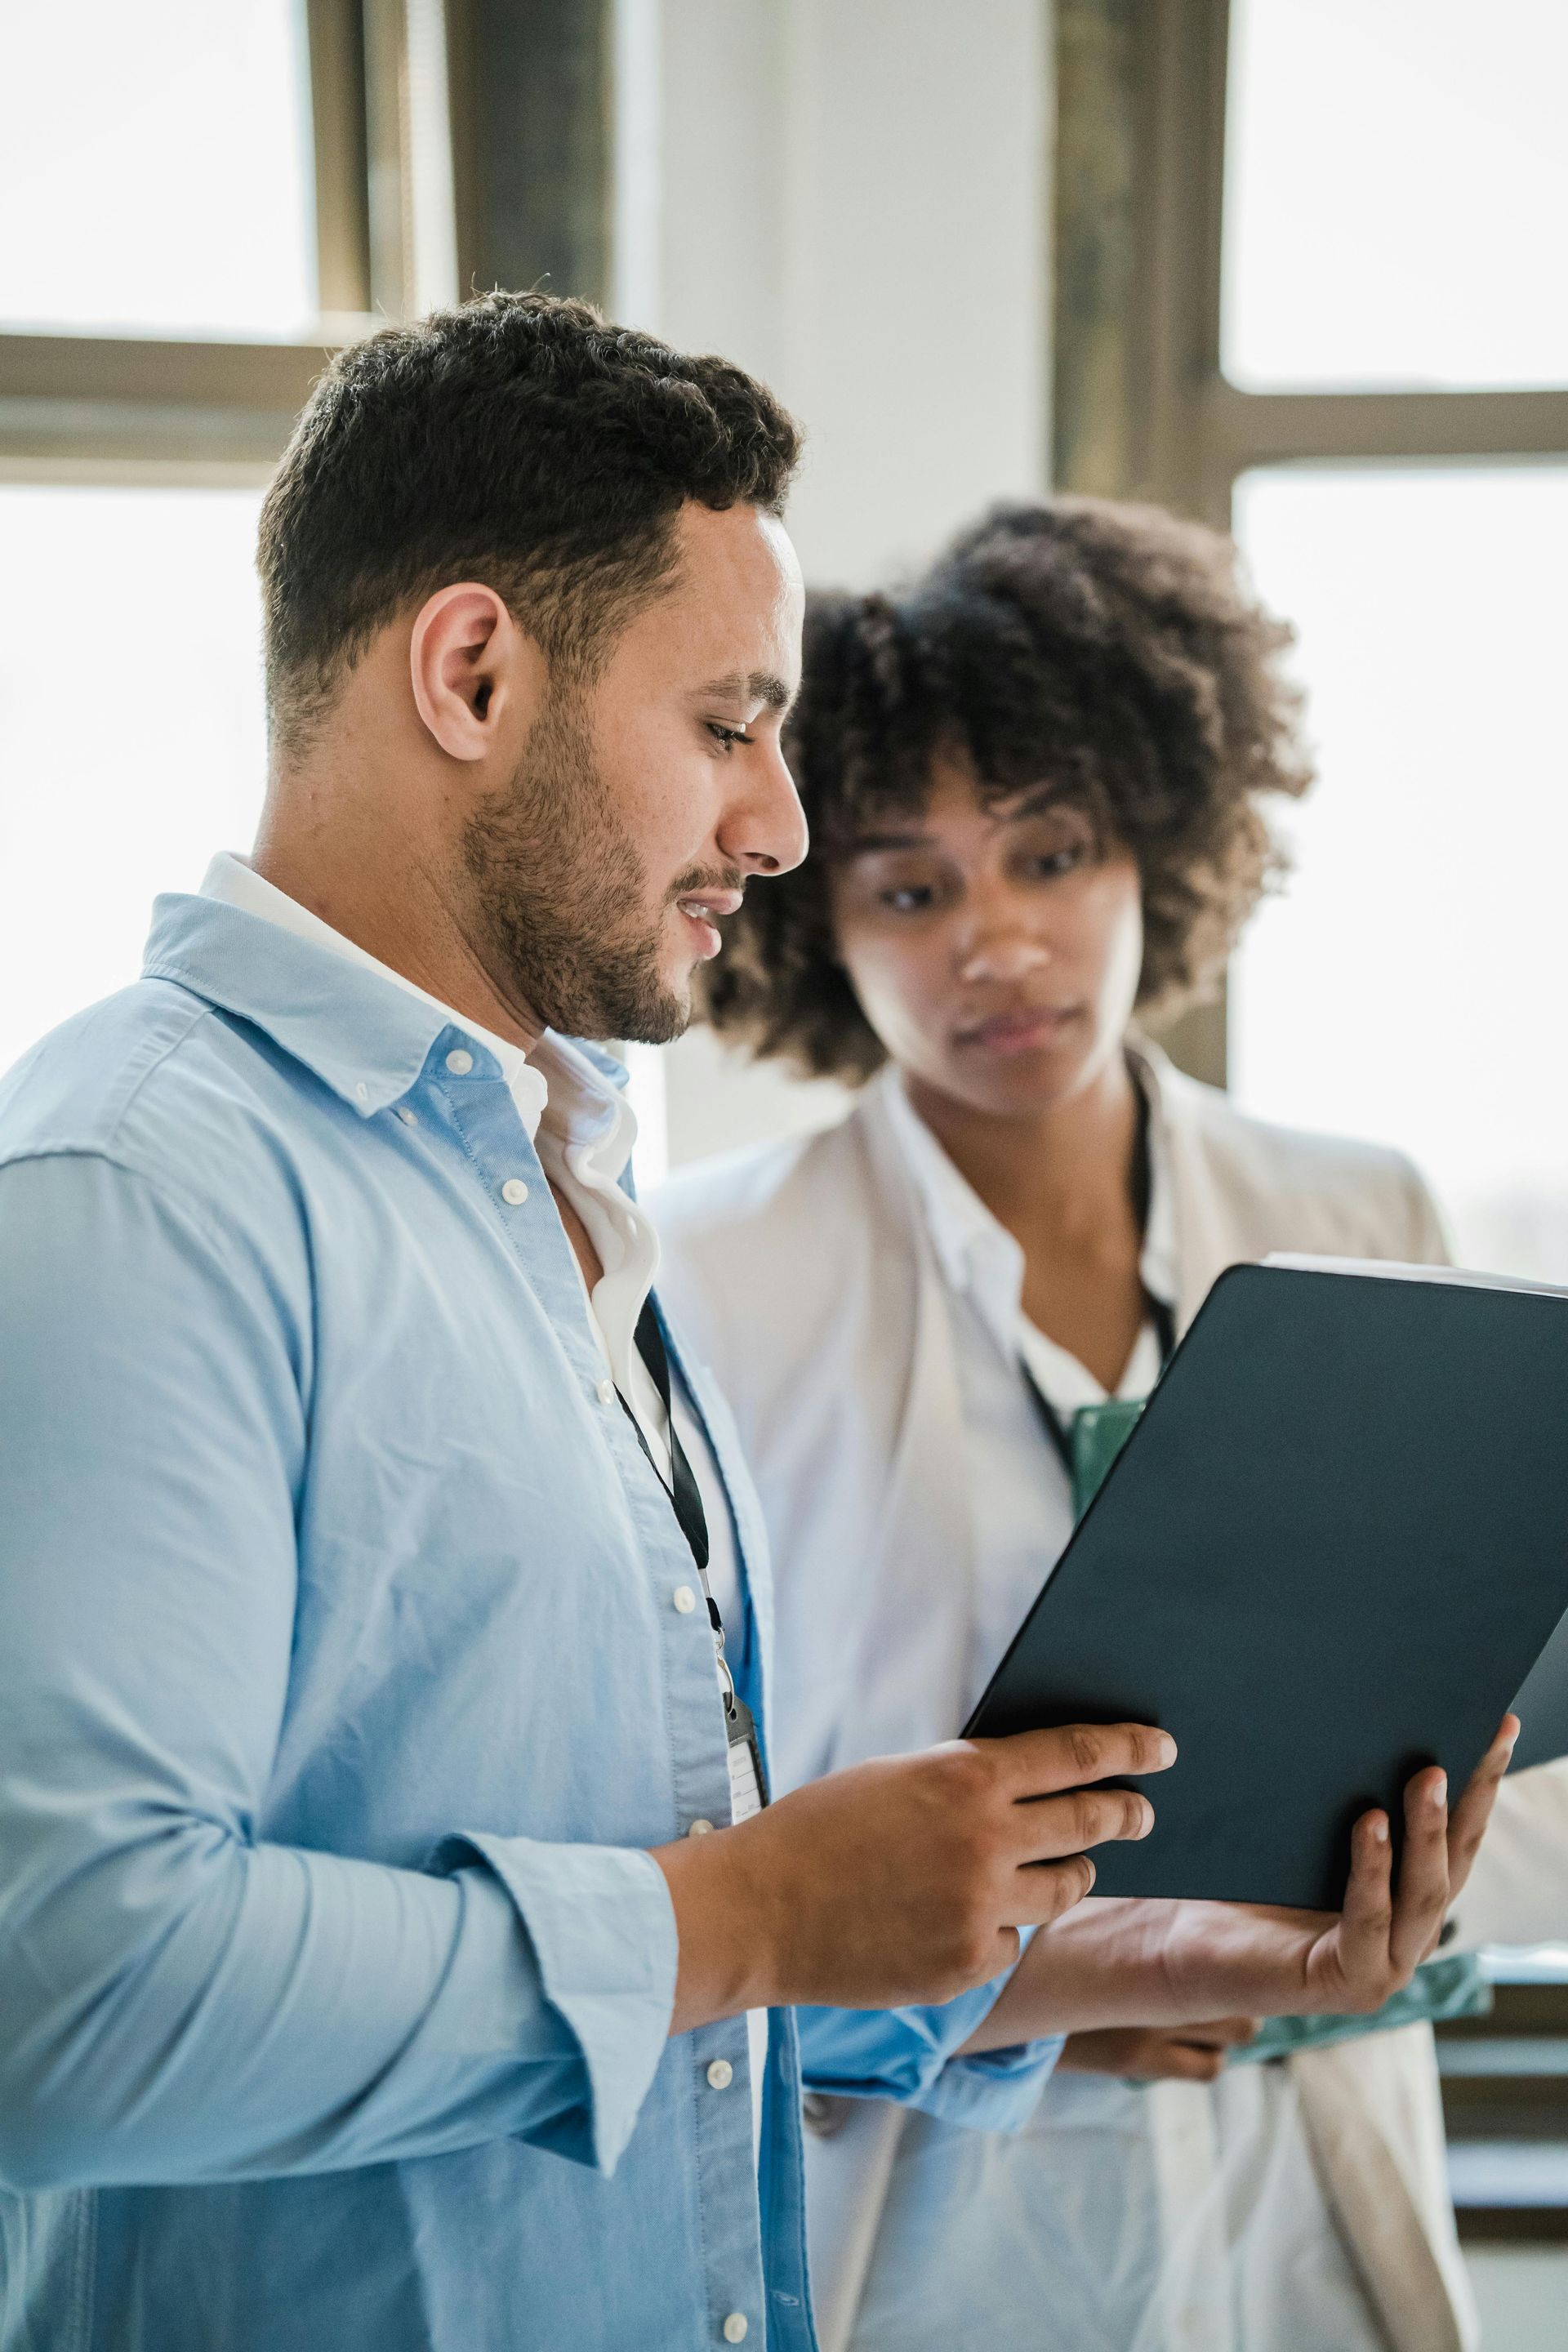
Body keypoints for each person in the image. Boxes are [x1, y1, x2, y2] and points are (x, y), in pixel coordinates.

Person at [0, 307, 1507, 2352]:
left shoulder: (550, 1184)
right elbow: (61, 1996)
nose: (780, 827)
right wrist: (748, 1911)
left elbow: (697, 1998)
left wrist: (1139, 1963)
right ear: (470, 674)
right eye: (730, 726)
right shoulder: (135, 1189)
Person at [655, 497, 1556, 2352]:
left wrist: (1321, 1937)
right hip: (940, 2238)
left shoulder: (1366, 1216)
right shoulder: (714, 1283)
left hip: (1310, 2198)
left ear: (1161, 846)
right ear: (817, 925)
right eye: (911, 888)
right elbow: (708, 1836)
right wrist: (1046, 1976)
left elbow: (1513, 1730)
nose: (994, 942)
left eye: (1050, 855)